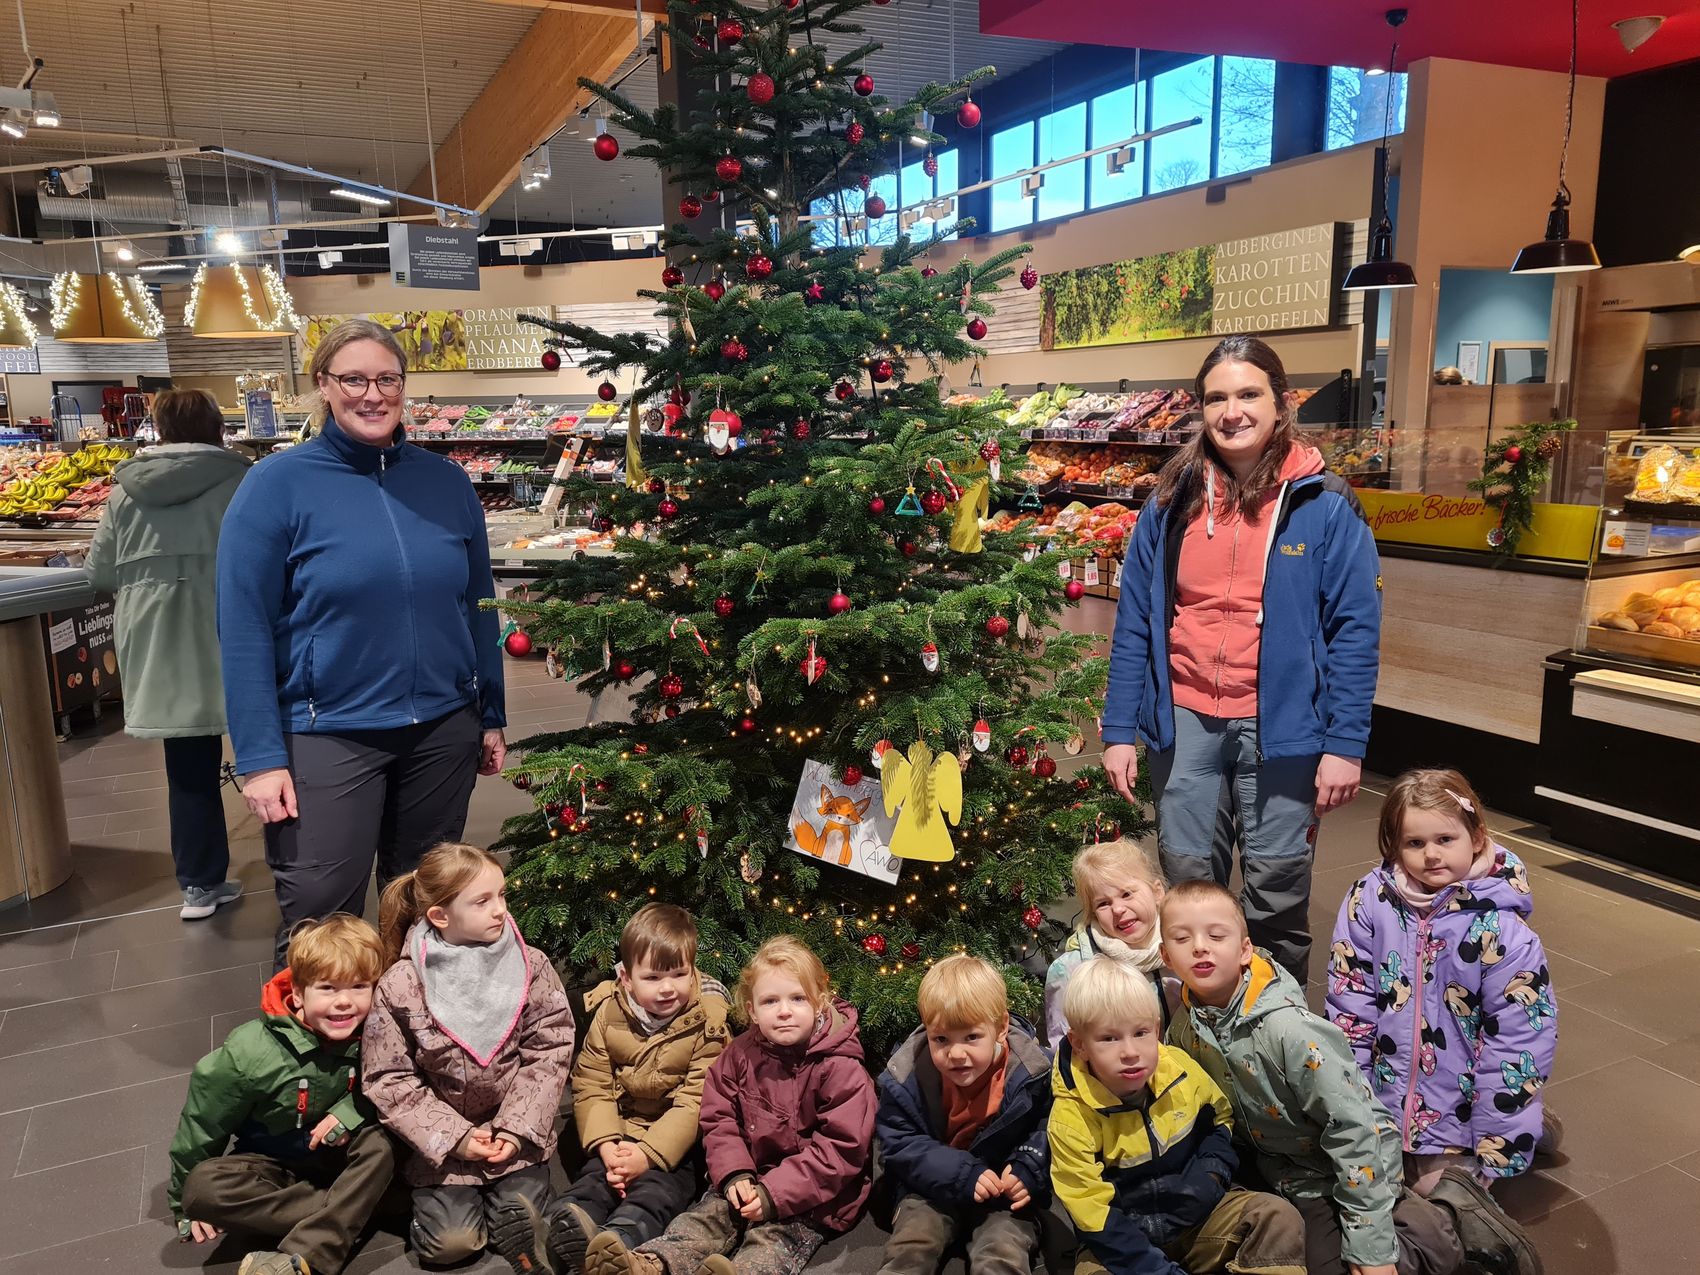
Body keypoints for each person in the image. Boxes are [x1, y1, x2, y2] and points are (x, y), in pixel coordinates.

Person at [216, 317, 508, 968]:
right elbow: (242, 627)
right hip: (327, 733)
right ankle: (313, 1068)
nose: (372, 394)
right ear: (323, 384)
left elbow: (479, 605)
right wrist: (260, 756)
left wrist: (490, 711)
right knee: (323, 918)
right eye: (353, 378)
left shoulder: (446, 484)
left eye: (387, 379)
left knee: (426, 909)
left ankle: (409, 1053)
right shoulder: (275, 487)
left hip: (440, 730)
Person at [1100, 334, 1382, 984]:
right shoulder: (1168, 503)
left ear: (1281, 402)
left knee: (1277, 894)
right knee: (1191, 887)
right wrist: (1120, 729)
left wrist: (1345, 742)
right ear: (1202, 408)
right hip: (1186, 726)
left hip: (1283, 731)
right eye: (1218, 396)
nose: (1233, 410)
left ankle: (1274, 1038)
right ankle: (1200, 1040)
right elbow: (1136, 621)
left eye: (1248, 393)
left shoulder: (1327, 503)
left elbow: (1355, 631)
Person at [1160, 880, 1542, 1275]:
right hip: (1278, 1166)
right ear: (1165, 956)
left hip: (1337, 1164)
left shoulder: (1289, 1031)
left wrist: (1369, 1245)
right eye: (1182, 938)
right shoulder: (1186, 1025)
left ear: (1245, 950)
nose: (1200, 947)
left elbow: (1355, 1131)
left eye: (1216, 935)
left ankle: (1448, 1216)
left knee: (1352, 1266)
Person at [585, 935, 875, 1275]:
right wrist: (735, 1173)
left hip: (812, 1197)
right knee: (701, 1221)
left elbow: (841, 1152)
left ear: (820, 1003)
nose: (784, 1011)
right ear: (751, 1009)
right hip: (746, 1178)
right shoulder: (738, 1055)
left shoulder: (842, 1069)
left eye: (798, 998)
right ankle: (649, 1266)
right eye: (770, 1001)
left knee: (772, 1242)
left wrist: (772, 1194)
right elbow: (718, 1117)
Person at [1326, 769, 1556, 1194]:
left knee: (1440, 1200)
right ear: (1394, 846)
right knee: (1363, 1185)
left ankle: (1523, 1126)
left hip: (1462, 1116)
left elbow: (1519, 1039)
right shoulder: (1368, 901)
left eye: (1444, 840)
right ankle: (1532, 1124)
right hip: (1387, 1099)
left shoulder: (1502, 930)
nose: (1431, 855)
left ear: (1478, 836)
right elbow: (1349, 1002)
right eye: (1415, 843)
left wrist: (1497, 1143)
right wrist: (1351, 1102)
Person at [361, 843, 575, 1272]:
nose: (500, 910)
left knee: (527, 1221)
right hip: (442, 1145)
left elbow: (550, 1050)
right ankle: (444, 1212)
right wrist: (455, 1136)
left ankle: (515, 1221)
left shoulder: (530, 965)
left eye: (502, 895)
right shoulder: (402, 984)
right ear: (440, 916)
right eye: (482, 901)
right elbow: (389, 1078)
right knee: (451, 1245)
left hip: (514, 1134)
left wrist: (514, 1130)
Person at [86, 388, 251, 920]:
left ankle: (200, 886)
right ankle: (303, 866)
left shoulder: (124, 492)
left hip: (157, 636)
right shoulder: (244, 481)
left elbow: (101, 574)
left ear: (158, 429)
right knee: (274, 752)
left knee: (188, 766)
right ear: (217, 427)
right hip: (236, 629)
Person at [169, 914, 395, 1275]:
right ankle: (350, 1212)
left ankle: (324, 1235)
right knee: (202, 1190)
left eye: (358, 987)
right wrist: (183, 1205)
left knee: (382, 1144)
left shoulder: (384, 1032)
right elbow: (201, 1126)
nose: (345, 1002)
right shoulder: (248, 1052)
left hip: (345, 1155)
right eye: (328, 988)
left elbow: (398, 1086)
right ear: (298, 992)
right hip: (272, 1165)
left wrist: (353, 1110)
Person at [1049, 956, 1305, 1275]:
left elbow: (1219, 1120)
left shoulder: (1180, 1069)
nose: (1130, 1051)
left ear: (1156, 1030)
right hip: (1124, 1242)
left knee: (1276, 1217)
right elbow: (1091, 1210)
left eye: (1140, 1032)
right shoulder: (1069, 1117)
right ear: (1080, 1045)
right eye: (1109, 1038)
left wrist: (1211, 1176)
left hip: (1199, 1218)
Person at [547, 903, 732, 1271]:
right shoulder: (609, 1012)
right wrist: (607, 1143)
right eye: (652, 978)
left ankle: (618, 1245)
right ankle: (560, 1230)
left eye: (679, 974)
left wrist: (647, 1155)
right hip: (622, 1130)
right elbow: (592, 1082)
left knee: (656, 1194)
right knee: (595, 1181)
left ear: (693, 970)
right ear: (627, 978)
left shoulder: (707, 1024)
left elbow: (697, 1102)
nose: (668, 989)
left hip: (677, 1148)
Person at [874, 954, 1051, 1275]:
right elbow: (898, 1143)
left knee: (1003, 1253)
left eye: (971, 1037)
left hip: (1001, 1196)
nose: (956, 1054)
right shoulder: (907, 1076)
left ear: (1000, 1028)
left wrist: (1028, 1166)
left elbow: (1050, 1126)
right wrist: (961, 1174)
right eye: (941, 1039)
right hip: (929, 1190)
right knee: (911, 1248)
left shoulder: (1032, 1071)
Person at [1042, 837, 1180, 1051]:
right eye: (1103, 903)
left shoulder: (1186, 949)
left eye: (1127, 894)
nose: (1117, 909)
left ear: (1157, 892)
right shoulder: (1071, 970)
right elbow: (1064, 1052)